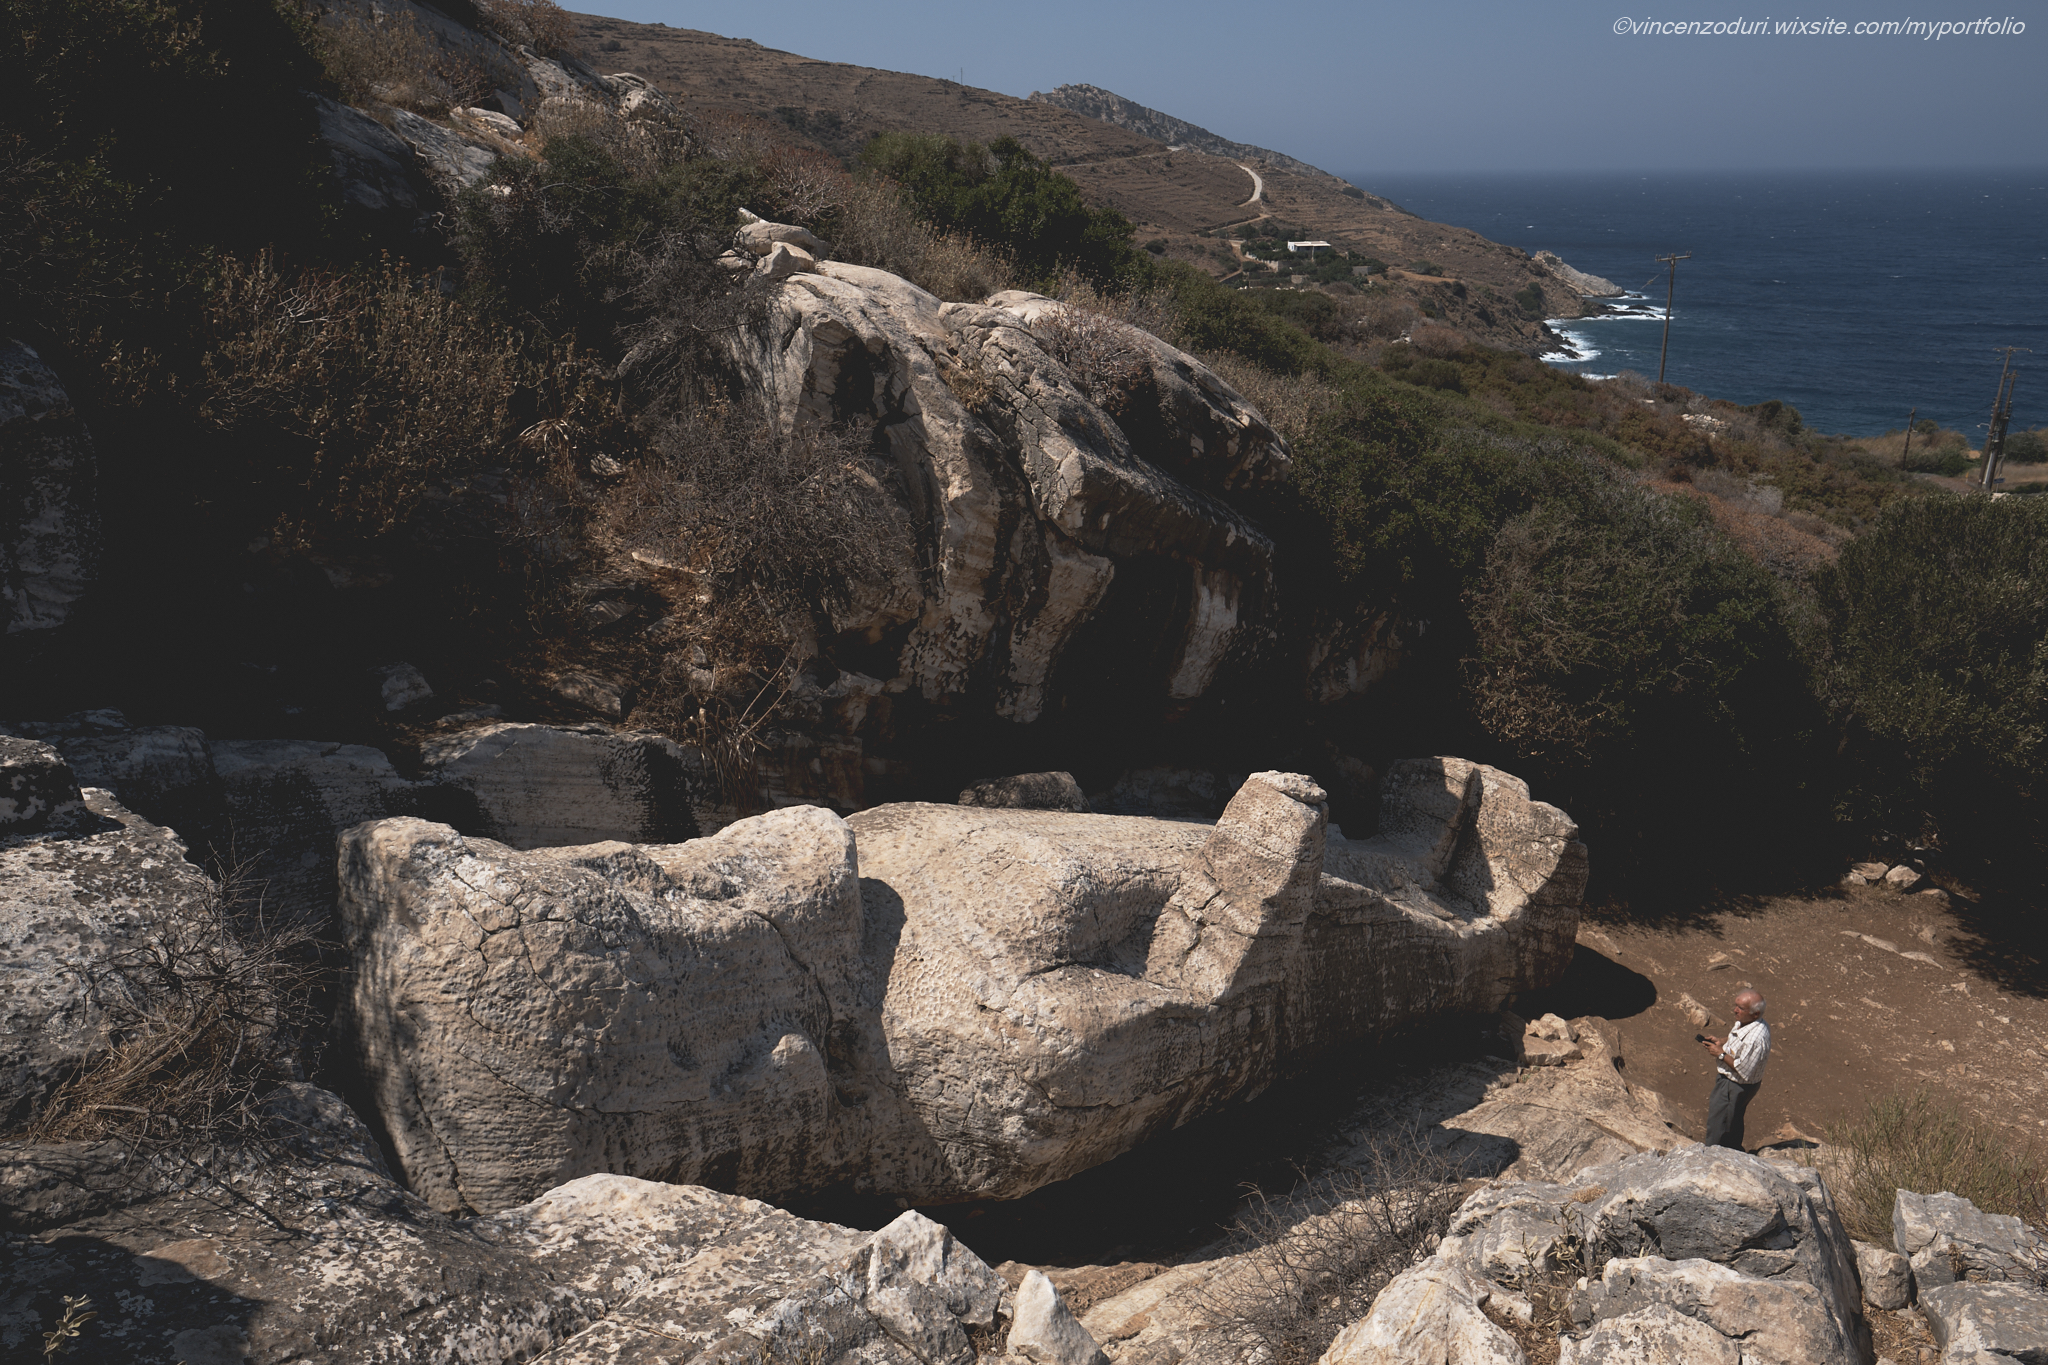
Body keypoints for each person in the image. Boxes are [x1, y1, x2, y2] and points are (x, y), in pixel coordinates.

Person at [1698, 989, 1771, 1150]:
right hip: (1739, 1085)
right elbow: (1737, 1039)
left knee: (1719, 1123)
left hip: (1735, 1085)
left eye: (1740, 1008)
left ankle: (1713, 1157)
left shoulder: (1755, 1038)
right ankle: (1733, 1149)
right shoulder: (1748, 1022)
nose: (1735, 1010)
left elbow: (1743, 1069)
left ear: (1755, 1013)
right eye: (1735, 1005)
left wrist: (1721, 1054)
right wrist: (1721, 1041)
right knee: (1732, 1120)